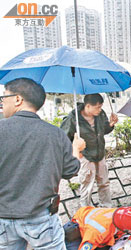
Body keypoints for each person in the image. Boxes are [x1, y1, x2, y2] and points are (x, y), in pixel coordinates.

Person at [0, 78, 85, 249]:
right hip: (42, 218)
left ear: (18, 99)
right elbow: (70, 171)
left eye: (4, 98)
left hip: (3, 218)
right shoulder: (55, 134)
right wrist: (77, 150)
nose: (2, 103)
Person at [61, 94, 118, 208]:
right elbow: (63, 139)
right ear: (87, 106)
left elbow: (103, 130)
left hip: (100, 153)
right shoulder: (73, 119)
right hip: (85, 156)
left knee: (104, 182)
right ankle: (85, 209)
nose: (100, 109)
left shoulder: (100, 114)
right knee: (87, 184)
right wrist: (76, 150)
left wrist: (111, 124)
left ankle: (106, 207)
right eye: (97, 107)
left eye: (101, 107)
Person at [65, 206, 131, 250]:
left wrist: (129, 242)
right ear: (123, 229)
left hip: (90, 226)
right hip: (77, 232)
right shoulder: (98, 232)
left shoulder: (121, 215)